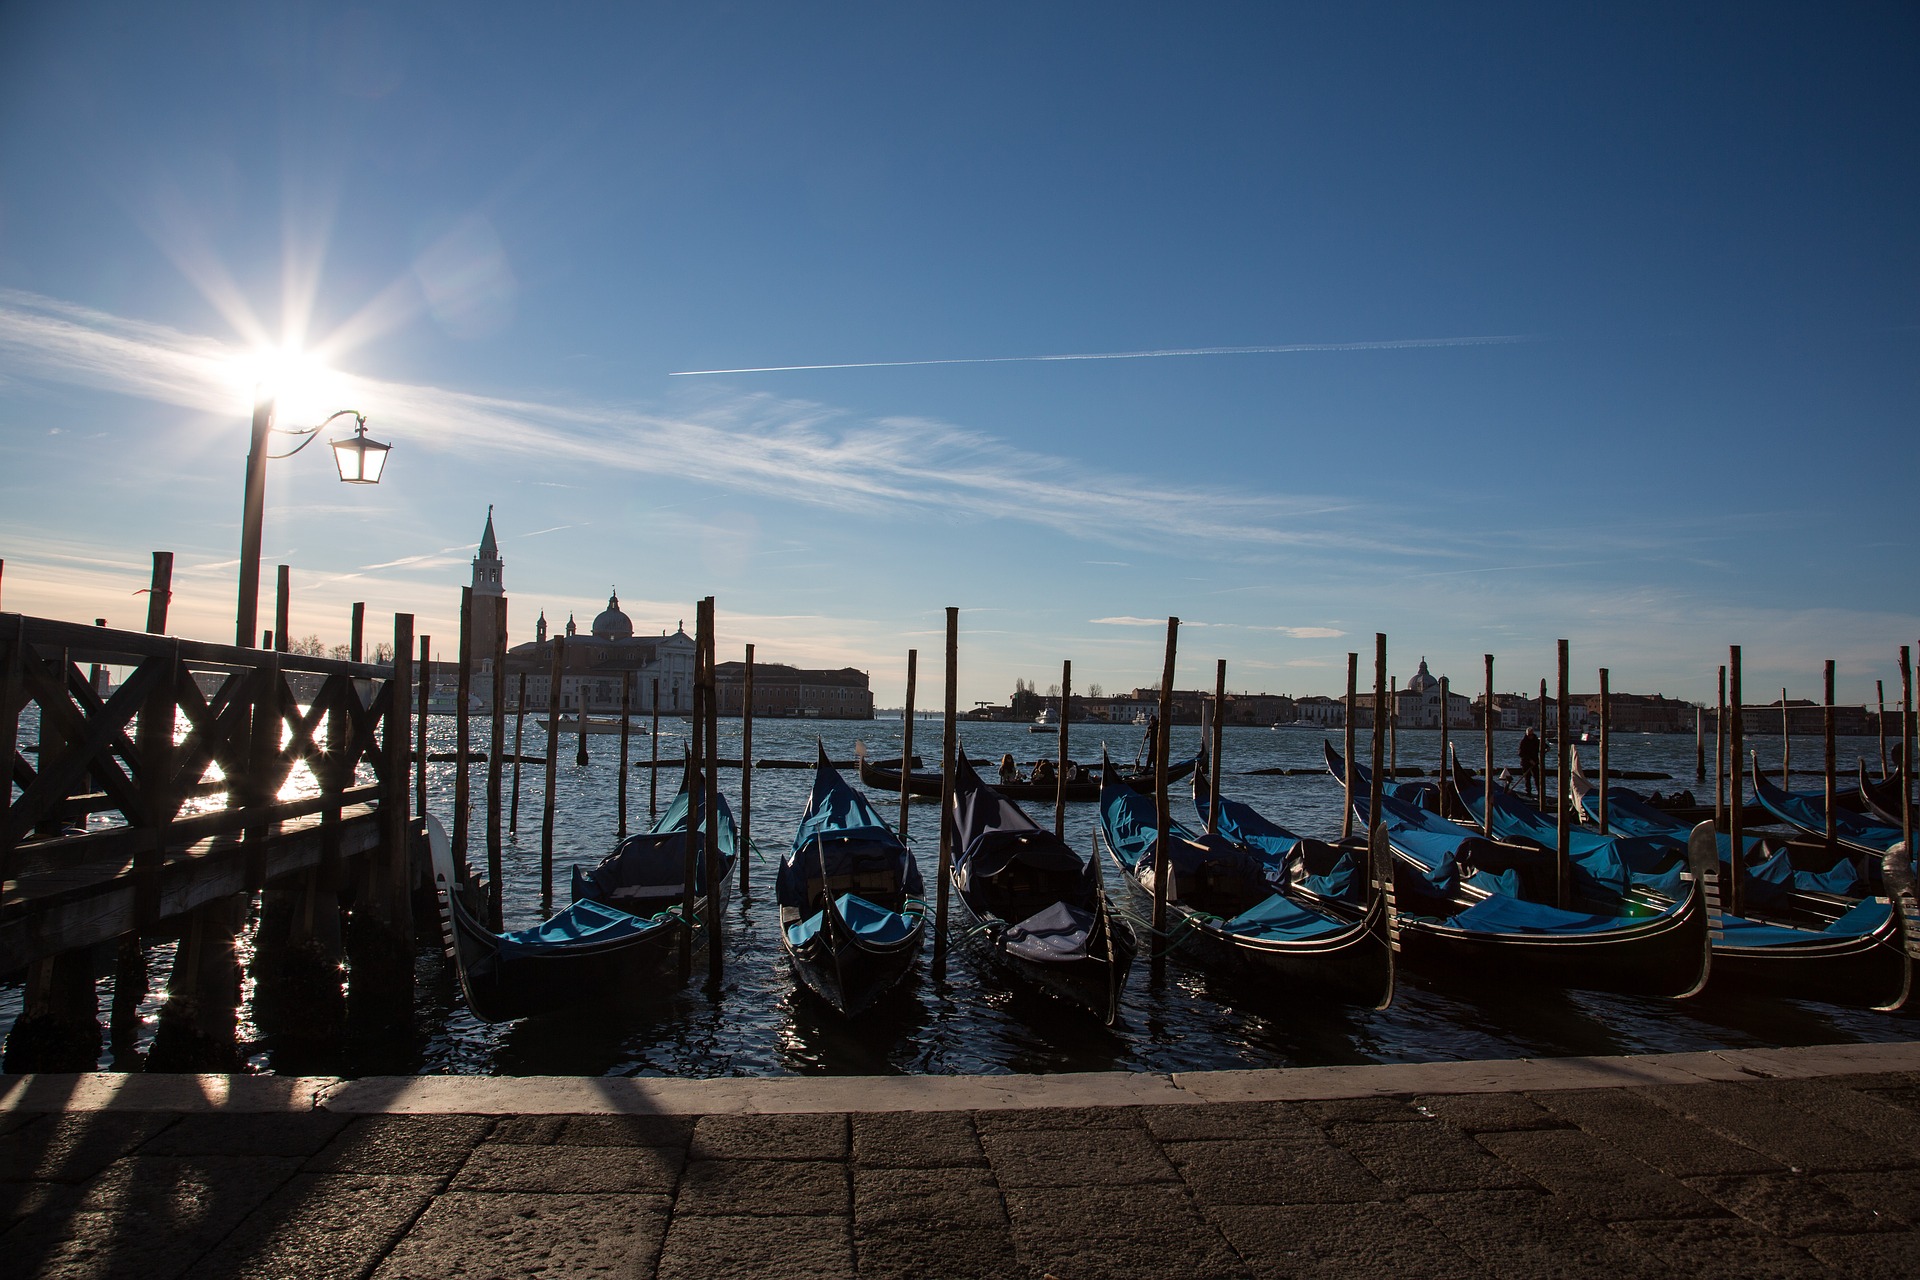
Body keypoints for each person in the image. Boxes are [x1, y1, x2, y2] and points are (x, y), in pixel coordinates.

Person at [1517, 727, 1541, 798]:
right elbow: (1521, 753)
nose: (1530, 736)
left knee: (1537, 778)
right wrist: (1529, 760)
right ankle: (1528, 793)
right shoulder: (1523, 742)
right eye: (1529, 735)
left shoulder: (1536, 741)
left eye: (1531, 735)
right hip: (1526, 762)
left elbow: (1543, 746)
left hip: (1535, 762)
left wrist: (1547, 748)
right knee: (1527, 778)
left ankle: (1540, 793)